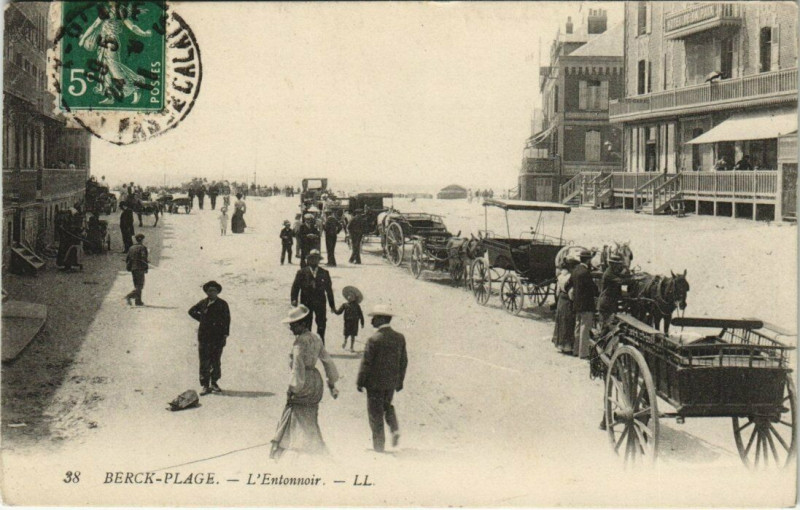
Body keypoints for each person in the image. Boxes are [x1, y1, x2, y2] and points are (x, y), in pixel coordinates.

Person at [270, 305, 339, 460]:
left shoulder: (299, 342)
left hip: (303, 381)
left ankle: (296, 448)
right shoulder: (316, 338)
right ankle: (312, 445)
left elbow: (298, 368)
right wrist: (332, 383)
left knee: (295, 412)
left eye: (293, 324)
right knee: (310, 413)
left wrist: (293, 388)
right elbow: (327, 361)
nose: (291, 328)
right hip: (315, 380)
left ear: (302, 324)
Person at [357, 304, 408, 452]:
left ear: (381, 319)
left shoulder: (374, 339)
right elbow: (404, 361)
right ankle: (394, 428)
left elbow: (366, 363)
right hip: (391, 382)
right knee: (386, 406)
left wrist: (360, 382)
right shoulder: (399, 337)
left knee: (375, 414)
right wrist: (400, 381)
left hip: (374, 384)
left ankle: (379, 447)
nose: (372, 320)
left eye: (374, 317)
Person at [188, 281, 231, 395]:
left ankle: (214, 383)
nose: (211, 293)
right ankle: (205, 385)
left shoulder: (223, 304)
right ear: (206, 292)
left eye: (214, 291)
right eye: (209, 291)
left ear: (217, 292)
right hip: (204, 336)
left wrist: (225, 334)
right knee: (204, 360)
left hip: (217, 337)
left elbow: (227, 320)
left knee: (216, 360)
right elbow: (191, 311)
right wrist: (202, 319)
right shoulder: (203, 303)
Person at [290, 249, 336, 342]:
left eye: (316, 259)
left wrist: (332, 305)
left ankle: (321, 345)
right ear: (308, 260)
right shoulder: (301, 272)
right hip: (306, 303)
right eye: (311, 259)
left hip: (320, 303)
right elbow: (295, 287)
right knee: (306, 324)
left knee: (321, 324)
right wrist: (294, 299)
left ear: (319, 260)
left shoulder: (324, 273)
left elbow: (329, 290)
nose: (313, 261)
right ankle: (308, 344)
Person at [565, 250, 597, 359]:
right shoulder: (586, 272)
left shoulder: (575, 270)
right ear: (588, 260)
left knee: (578, 327)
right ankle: (583, 353)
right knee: (585, 328)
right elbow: (593, 288)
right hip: (586, 305)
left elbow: (567, 285)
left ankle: (576, 350)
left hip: (577, 304)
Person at [597, 254, 633, 334]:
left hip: (609, 302)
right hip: (607, 303)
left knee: (607, 326)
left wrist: (631, 276)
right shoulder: (608, 274)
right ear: (613, 264)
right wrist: (633, 279)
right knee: (606, 326)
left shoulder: (612, 271)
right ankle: (602, 339)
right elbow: (621, 281)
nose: (619, 266)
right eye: (618, 264)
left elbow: (621, 276)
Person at [552, 258, 578, 355]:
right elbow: (571, 293)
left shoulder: (560, 276)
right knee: (568, 322)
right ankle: (567, 347)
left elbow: (557, 291)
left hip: (561, 300)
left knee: (561, 321)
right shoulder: (570, 277)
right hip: (567, 301)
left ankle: (560, 345)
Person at [335, 286, 365, 352]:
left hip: (355, 322)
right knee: (346, 334)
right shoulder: (345, 305)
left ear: (354, 298)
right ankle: (345, 342)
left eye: (351, 296)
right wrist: (334, 310)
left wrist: (362, 323)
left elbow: (360, 315)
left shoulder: (357, 306)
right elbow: (339, 312)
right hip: (347, 322)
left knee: (353, 335)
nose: (349, 297)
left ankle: (351, 347)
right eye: (348, 296)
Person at [125, 233, 148, 306]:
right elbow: (143, 258)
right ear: (142, 240)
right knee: (140, 285)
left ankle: (138, 301)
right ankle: (129, 296)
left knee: (136, 285)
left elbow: (127, 259)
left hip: (133, 268)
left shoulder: (131, 248)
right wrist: (146, 267)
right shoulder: (143, 248)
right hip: (140, 268)